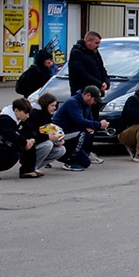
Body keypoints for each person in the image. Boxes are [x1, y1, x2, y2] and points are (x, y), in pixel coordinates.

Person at [67, 32, 109, 163]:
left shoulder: (95, 53)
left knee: (93, 120)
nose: (98, 46)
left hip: (96, 94)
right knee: (83, 123)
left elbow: (102, 69)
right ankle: (79, 151)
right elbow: (80, 73)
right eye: (96, 43)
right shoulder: (77, 53)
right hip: (83, 94)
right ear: (88, 41)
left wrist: (105, 82)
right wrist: (98, 83)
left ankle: (88, 150)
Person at [53, 85, 110, 171]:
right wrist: (99, 125)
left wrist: (92, 127)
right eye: (94, 100)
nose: (95, 103)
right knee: (83, 133)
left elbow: (89, 119)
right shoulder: (73, 102)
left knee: (85, 163)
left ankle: (71, 155)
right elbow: (79, 121)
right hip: (61, 132)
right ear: (88, 95)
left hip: (72, 131)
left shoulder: (87, 105)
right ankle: (70, 161)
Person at [0, 98, 34, 180]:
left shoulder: (19, 119)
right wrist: (25, 142)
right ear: (16, 110)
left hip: (2, 146)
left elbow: (28, 130)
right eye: (25, 113)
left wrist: (31, 139)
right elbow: (11, 136)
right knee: (15, 154)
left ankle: (27, 170)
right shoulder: (4, 120)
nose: (27, 116)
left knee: (25, 144)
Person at [20, 92, 66, 175]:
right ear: (45, 105)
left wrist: (58, 140)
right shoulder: (34, 115)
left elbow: (50, 131)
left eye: (55, 105)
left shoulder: (47, 115)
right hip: (30, 147)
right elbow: (32, 134)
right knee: (48, 144)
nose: (54, 108)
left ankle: (35, 167)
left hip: (41, 143)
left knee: (61, 150)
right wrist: (48, 137)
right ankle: (30, 168)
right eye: (52, 106)